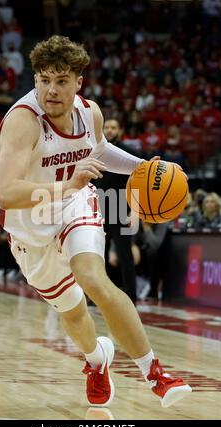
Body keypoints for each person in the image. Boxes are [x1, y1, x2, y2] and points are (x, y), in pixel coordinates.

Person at [0, 35, 191, 408]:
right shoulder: (23, 122)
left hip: (73, 204)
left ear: (78, 82)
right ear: (35, 79)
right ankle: (96, 359)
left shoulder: (91, 113)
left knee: (93, 278)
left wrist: (144, 167)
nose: (52, 90)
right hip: (29, 224)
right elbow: (6, 192)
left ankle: (155, 374)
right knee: (73, 312)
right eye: (44, 79)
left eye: (62, 80)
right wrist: (68, 182)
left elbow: (98, 150)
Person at [95, 118, 137, 301]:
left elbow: (138, 184)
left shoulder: (130, 154)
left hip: (122, 208)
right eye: (107, 127)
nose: (110, 130)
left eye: (113, 127)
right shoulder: (96, 152)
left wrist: (134, 210)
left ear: (120, 130)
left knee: (125, 254)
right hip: (100, 207)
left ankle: (131, 296)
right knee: (99, 255)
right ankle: (102, 296)